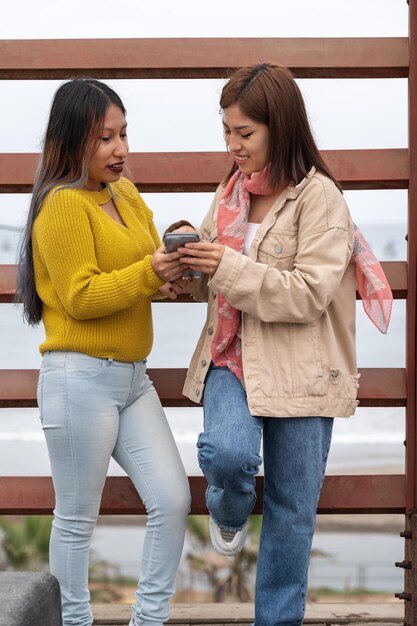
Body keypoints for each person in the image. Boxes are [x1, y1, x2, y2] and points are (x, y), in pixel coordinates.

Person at [168, 63, 392, 626]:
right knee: (228, 454)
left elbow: (308, 295)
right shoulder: (229, 190)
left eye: (245, 133)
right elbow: (215, 282)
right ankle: (230, 512)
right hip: (232, 359)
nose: (232, 145)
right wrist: (188, 267)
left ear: (281, 126)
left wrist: (225, 265)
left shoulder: (321, 199)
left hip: (305, 372)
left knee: (293, 513)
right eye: (226, 131)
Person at [17, 78, 191, 626]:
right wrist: (149, 273)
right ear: (71, 143)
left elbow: (141, 261)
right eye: (104, 139)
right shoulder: (63, 206)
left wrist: (170, 264)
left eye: (123, 134)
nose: (120, 149)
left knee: (173, 500)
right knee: (75, 519)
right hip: (79, 379)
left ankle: (150, 619)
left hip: (132, 380)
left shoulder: (124, 194)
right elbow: (81, 296)